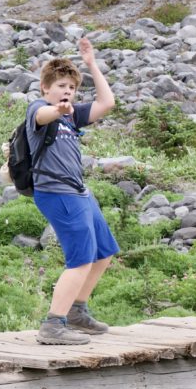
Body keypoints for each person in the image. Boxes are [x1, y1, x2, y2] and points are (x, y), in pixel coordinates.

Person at [27, 36, 119, 345]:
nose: (67, 91)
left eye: (71, 87)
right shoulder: (39, 109)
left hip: (79, 191)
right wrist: (58, 109)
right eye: (61, 85)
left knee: (104, 252)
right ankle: (53, 325)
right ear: (46, 88)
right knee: (80, 260)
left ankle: (77, 311)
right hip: (56, 192)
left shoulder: (72, 115)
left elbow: (107, 104)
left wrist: (92, 64)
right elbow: (42, 116)